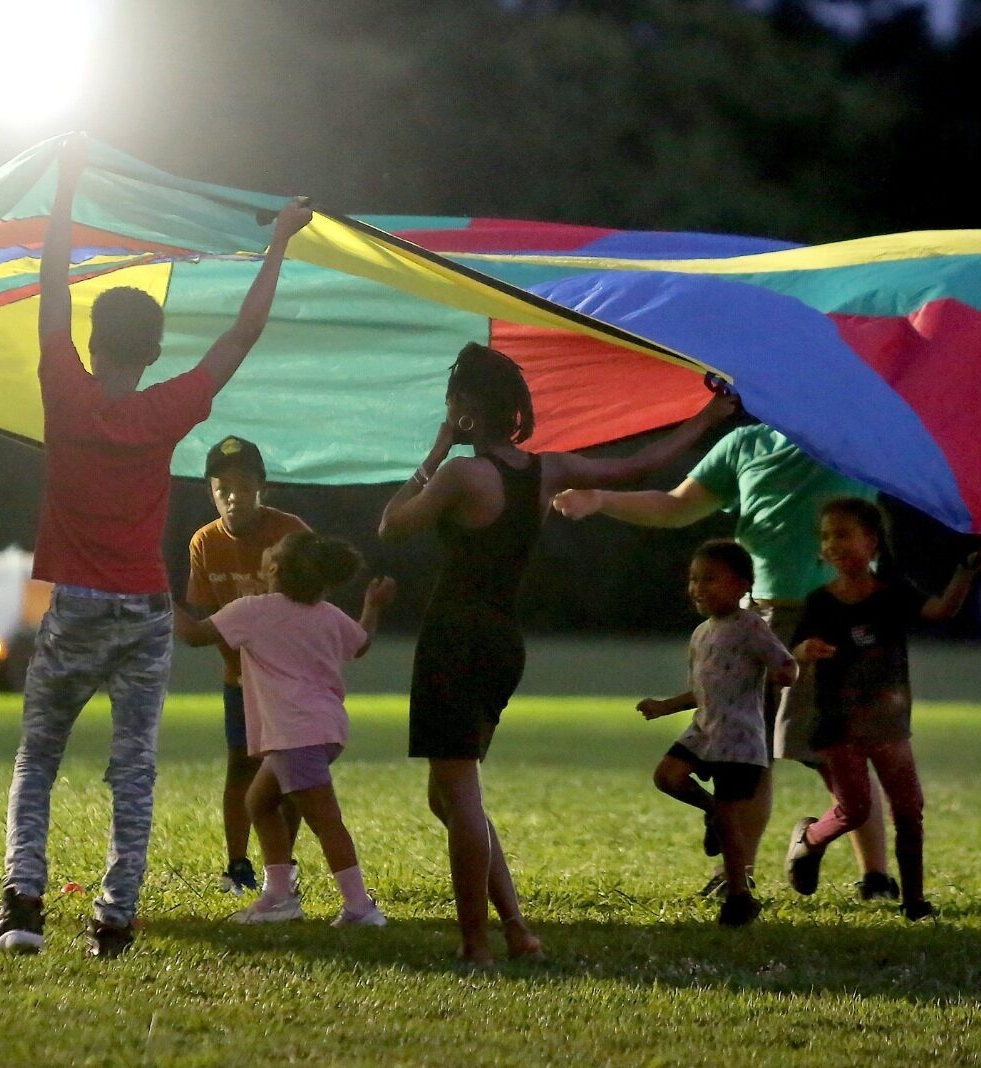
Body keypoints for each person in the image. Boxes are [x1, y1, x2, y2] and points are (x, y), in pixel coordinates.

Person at [0, 139, 313, 959]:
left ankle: (21, 911)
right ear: (154, 351)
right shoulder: (169, 409)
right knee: (133, 772)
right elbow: (243, 333)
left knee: (39, 758)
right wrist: (280, 242)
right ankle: (115, 922)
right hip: (147, 614)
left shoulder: (63, 385)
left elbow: (52, 290)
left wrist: (66, 193)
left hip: (77, 606)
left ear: (91, 344)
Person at [380, 342, 733, 965]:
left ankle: (475, 945)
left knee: (459, 797)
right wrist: (707, 418)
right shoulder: (544, 472)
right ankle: (516, 930)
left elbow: (392, 526)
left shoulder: (462, 474)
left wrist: (436, 451)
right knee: (449, 794)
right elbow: (637, 465)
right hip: (501, 641)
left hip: (454, 638)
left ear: (465, 407)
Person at [553, 421, 897, 900]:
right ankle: (741, 871)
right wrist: (603, 499)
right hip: (765, 619)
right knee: (748, 756)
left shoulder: (853, 430)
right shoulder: (745, 444)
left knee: (840, 750)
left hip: (838, 613)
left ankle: (875, 875)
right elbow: (677, 506)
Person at [783, 498, 981, 920]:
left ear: (873, 542)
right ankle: (810, 838)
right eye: (826, 536)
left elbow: (939, 610)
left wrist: (965, 572)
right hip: (838, 725)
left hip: (888, 725)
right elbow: (794, 652)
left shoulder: (893, 594)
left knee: (908, 809)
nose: (832, 544)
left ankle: (915, 901)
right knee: (856, 809)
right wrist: (805, 651)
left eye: (843, 534)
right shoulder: (819, 602)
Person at [175, 532, 395, 927]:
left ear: (273, 567)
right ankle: (279, 896)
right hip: (322, 730)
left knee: (326, 821)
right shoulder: (326, 613)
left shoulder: (252, 611)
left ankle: (361, 908)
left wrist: (158, 598)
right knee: (258, 802)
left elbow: (193, 636)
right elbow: (360, 644)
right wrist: (372, 608)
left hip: (295, 734)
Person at [637, 540, 798, 927]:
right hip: (704, 729)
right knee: (668, 777)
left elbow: (787, 665)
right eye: (694, 579)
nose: (698, 588)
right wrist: (664, 707)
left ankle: (739, 895)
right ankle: (709, 811)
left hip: (738, 738)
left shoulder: (751, 628)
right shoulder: (702, 634)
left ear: (743, 585)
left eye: (709, 579)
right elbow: (706, 689)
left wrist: (784, 675)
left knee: (731, 818)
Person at [184, 434, 310, 895]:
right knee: (240, 765)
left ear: (262, 486)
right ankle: (237, 865)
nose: (232, 497)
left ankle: (284, 864)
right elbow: (200, 615)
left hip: (286, 681)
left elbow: (312, 605)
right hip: (239, 679)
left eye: (242, 485)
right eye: (222, 488)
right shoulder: (205, 542)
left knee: (288, 771)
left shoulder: (290, 532)